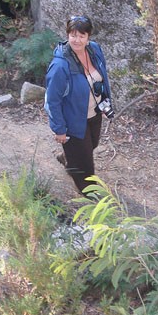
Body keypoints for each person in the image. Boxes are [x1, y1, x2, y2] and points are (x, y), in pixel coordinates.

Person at [45, 15, 113, 195]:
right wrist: (59, 129)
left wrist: (106, 103)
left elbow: (102, 78)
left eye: (81, 36)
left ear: (88, 36)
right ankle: (89, 192)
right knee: (85, 163)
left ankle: (68, 157)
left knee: (91, 145)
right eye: (73, 35)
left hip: (94, 113)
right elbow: (52, 101)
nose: (77, 40)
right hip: (73, 119)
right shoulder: (60, 66)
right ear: (67, 35)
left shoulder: (95, 50)